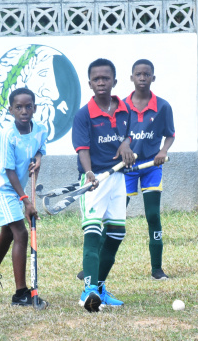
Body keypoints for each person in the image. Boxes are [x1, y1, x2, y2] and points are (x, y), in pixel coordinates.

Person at [0, 88, 49, 308]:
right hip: (2, 187)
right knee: (21, 232)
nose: (24, 111)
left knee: (8, 231)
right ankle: (20, 294)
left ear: (35, 108)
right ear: (10, 110)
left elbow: (40, 150)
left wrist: (37, 159)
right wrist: (26, 201)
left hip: (17, 188)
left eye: (28, 107)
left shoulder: (40, 130)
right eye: (19, 107)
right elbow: (8, 170)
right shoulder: (7, 135)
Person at [72, 58, 134, 312]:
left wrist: (126, 144)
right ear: (89, 83)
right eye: (96, 78)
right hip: (94, 181)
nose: (101, 82)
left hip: (117, 179)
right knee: (93, 232)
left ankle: (99, 287)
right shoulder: (83, 115)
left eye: (105, 78)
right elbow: (82, 149)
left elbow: (128, 134)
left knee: (117, 234)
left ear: (114, 81)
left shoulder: (124, 110)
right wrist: (88, 173)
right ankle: (87, 292)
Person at [124, 59, 175, 280]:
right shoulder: (122, 106)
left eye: (147, 74)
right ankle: (93, 265)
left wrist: (162, 152)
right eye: (138, 74)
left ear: (153, 77)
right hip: (126, 168)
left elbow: (170, 134)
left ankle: (157, 268)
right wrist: (123, 147)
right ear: (131, 77)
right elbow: (115, 134)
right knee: (114, 216)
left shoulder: (162, 106)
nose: (142, 78)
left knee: (153, 215)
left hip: (151, 167)